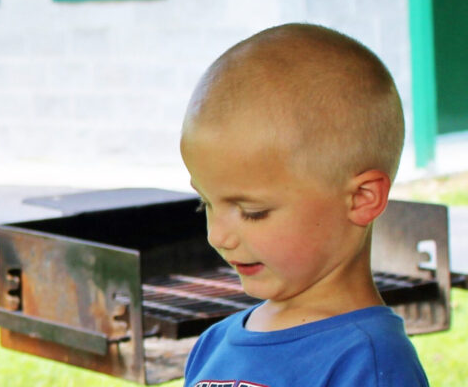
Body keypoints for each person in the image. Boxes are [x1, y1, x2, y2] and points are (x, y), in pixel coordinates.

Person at [179, 23, 428, 386]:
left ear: (362, 198)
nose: (217, 235)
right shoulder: (214, 344)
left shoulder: (370, 363)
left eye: (253, 212)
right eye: (206, 204)